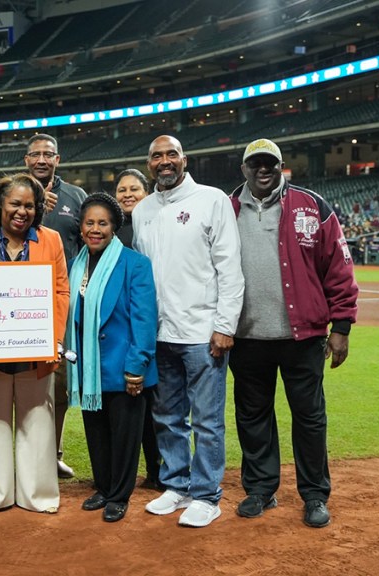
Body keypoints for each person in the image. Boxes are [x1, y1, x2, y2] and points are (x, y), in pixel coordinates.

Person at [228, 138, 359, 528]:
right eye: (256, 164)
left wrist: (342, 327)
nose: (263, 170)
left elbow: (339, 268)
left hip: (303, 337)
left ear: (281, 166)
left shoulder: (312, 205)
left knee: (309, 417)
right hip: (246, 336)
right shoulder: (225, 208)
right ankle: (260, 489)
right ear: (244, 169)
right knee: (253, 417)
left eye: (271, 163)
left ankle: (315, 494)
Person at [131, 135, 244, 528]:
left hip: (202, 332)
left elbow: (230, 267)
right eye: (156, 155)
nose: (164, 161)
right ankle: (177, 485)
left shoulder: (212, 200)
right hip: (160, 334)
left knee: (208, 419)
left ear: (184, 158)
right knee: (167, 417)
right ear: (149, 164)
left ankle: (207, 494)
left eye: (171, 154)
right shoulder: (142, 210)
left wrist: (225, 325)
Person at [0, 173, 71, 515]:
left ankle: (37, 496)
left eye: (30, 205)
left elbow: (61, 291)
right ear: (0, 205)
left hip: (36, 353)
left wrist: (53, 339)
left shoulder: (50, 240)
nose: (22, 211)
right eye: (15, 204)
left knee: (37, 424)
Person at [65, 193, 158, 523]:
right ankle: (103, 487)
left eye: (102, 223)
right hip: (90, 370)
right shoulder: (77, 264)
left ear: (115, 227)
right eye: (89, 223)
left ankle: (120, 494)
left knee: (124, 436)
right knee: (97, 433)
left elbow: (145, 320)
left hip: (124, 367)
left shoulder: (135, 264)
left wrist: (137, 366)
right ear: (80, 227)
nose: (95, 229)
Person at [24, 133, 87, 479]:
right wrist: (33, 206)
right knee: (18, 380)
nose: (42, 160)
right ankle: (21, 453)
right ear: (26, 160)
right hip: (16, 303)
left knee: (59, 380)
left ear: (57, 160)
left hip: (61, 302)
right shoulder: (13, 192)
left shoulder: (75, 196)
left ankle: (53, 453)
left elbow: (87, 244)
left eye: (49, 154)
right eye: (36, 154)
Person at [112, 168, 162, 491]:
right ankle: (134, 473)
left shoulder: (154, 225)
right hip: (120, 332)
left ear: (147, 193)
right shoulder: (112, 230)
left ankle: (160, 471)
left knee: (158, 406)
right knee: (130, 406)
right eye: (121, 190)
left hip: (152, 326)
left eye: (135, 189)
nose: (128, 194)